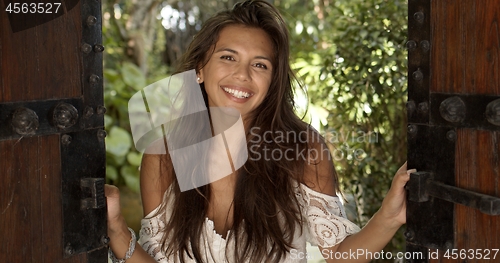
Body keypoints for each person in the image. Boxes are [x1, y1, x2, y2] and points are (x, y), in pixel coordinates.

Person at [105, 0, 415, 262]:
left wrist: (389, 217)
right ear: (199, 69)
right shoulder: (164, 156)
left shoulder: (302, 149)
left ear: (272, 82)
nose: (242, 75)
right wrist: (117, 228)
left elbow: (338, 253)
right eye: (228, 57)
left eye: (260, 65)